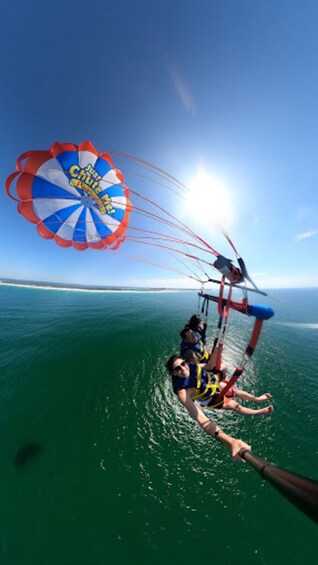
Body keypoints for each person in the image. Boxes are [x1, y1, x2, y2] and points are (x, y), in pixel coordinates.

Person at [166, 347, 273, 461]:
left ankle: (256, 399)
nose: (183, 368)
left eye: (183, 364)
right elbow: (202, 420)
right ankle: (257, 412)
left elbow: (208, 367)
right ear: (174, 373)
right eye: (178, 368)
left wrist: (217, 350)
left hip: (213, 385)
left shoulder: (191, 367)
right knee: (237, 406)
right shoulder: (183, 392)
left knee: (238, 391)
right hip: (210, 398)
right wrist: (230, 441)